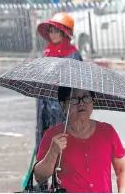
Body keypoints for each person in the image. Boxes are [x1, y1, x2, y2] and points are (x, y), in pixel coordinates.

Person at [34, 87, 125, 193]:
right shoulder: (53, 135)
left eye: (86, 97)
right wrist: (52, 152)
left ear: (93, 101)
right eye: (74, 98)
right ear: (63, 105)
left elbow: (123, 170)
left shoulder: (107, 132)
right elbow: (40, 177)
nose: (81, 103)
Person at [30, 12, 83, 191]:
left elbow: (77, 87)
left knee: (63, 150)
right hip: (44, 107)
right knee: (43, 145)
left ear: (64, 33)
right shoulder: (45, 53)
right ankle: (43, 184)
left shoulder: (73, 56)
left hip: (62, 109)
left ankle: (61, 184)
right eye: (50, 30)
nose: (52, 34)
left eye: (56, 30)